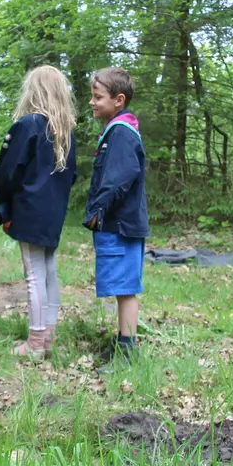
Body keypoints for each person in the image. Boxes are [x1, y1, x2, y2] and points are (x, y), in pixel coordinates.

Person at [0, 66, 78, 360]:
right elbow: (72, 174)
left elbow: (9, 170)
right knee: (48, 273)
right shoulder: (65, 130)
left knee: (34, 275)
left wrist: (2, 200)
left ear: (33, 89)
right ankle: (48, 336)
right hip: (53, 210)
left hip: (29, 209)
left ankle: (36, 342)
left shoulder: (28, 125)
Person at [84, 67, 148, 368]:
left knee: (125, 287)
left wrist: (98, 212)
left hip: (119, 223)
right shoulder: (118, 129)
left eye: (98, 97)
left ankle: (127, 351)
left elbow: (119, 177)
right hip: (119, 222)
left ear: (118, 100)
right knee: (123, 287)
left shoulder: (121, 132)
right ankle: (124, 342)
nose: (92, 102)